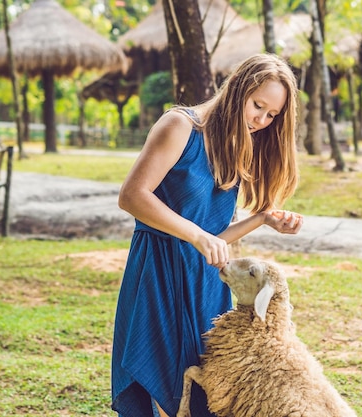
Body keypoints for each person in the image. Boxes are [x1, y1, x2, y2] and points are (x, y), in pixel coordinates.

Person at [111, 53, 304, 417]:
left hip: (205, 281)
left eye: (271, 115)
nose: (261, 120)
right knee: (153, 377)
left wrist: (263, 218)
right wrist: (198, 236)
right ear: (236, 90)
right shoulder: (180, 126)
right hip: (159, 271)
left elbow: (215, 236)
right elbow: (132, 196)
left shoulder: (234, 143)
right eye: (257, 106)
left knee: (200, 389)